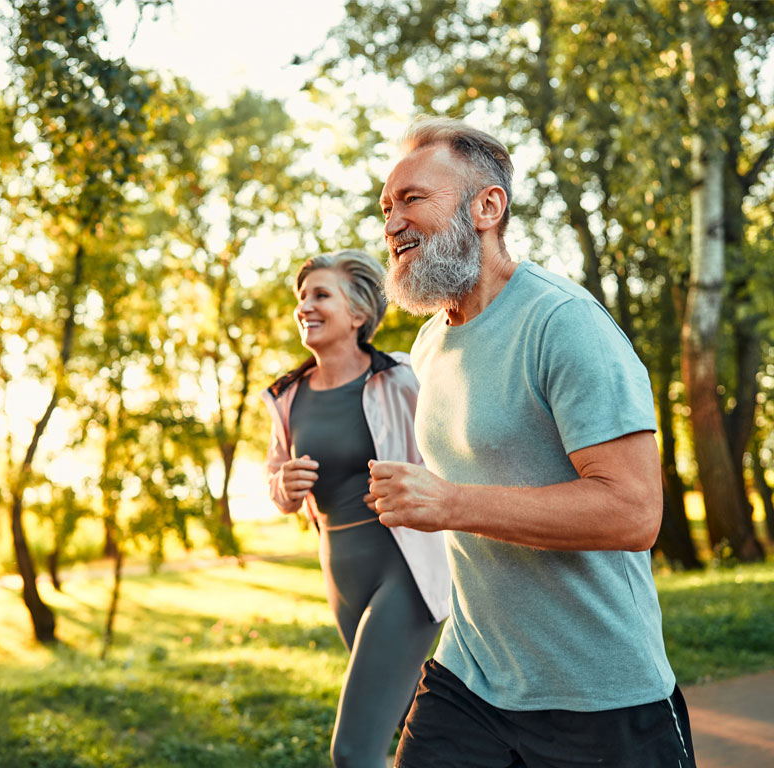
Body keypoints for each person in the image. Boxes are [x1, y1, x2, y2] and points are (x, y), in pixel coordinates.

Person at [368, 115, 695, 767]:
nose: (392, 222)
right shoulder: (432, 342)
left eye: (412, 199)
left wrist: (452, 504)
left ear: (487, 207)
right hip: (472, 677)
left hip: (600, 698)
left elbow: (634, 511)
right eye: (384, 207)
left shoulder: (563, 325)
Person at [263, 249, 452, 768]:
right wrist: (284, 485)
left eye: (321, 295)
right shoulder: (287, 396)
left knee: (353, 751)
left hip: (404, 569)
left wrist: (409, 485)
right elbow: (275, 480)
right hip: (341, 573)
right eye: (301, 297)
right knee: (421, 730)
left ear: (358, 314)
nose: (305, 306)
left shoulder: (404, 379)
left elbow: (451, 462)